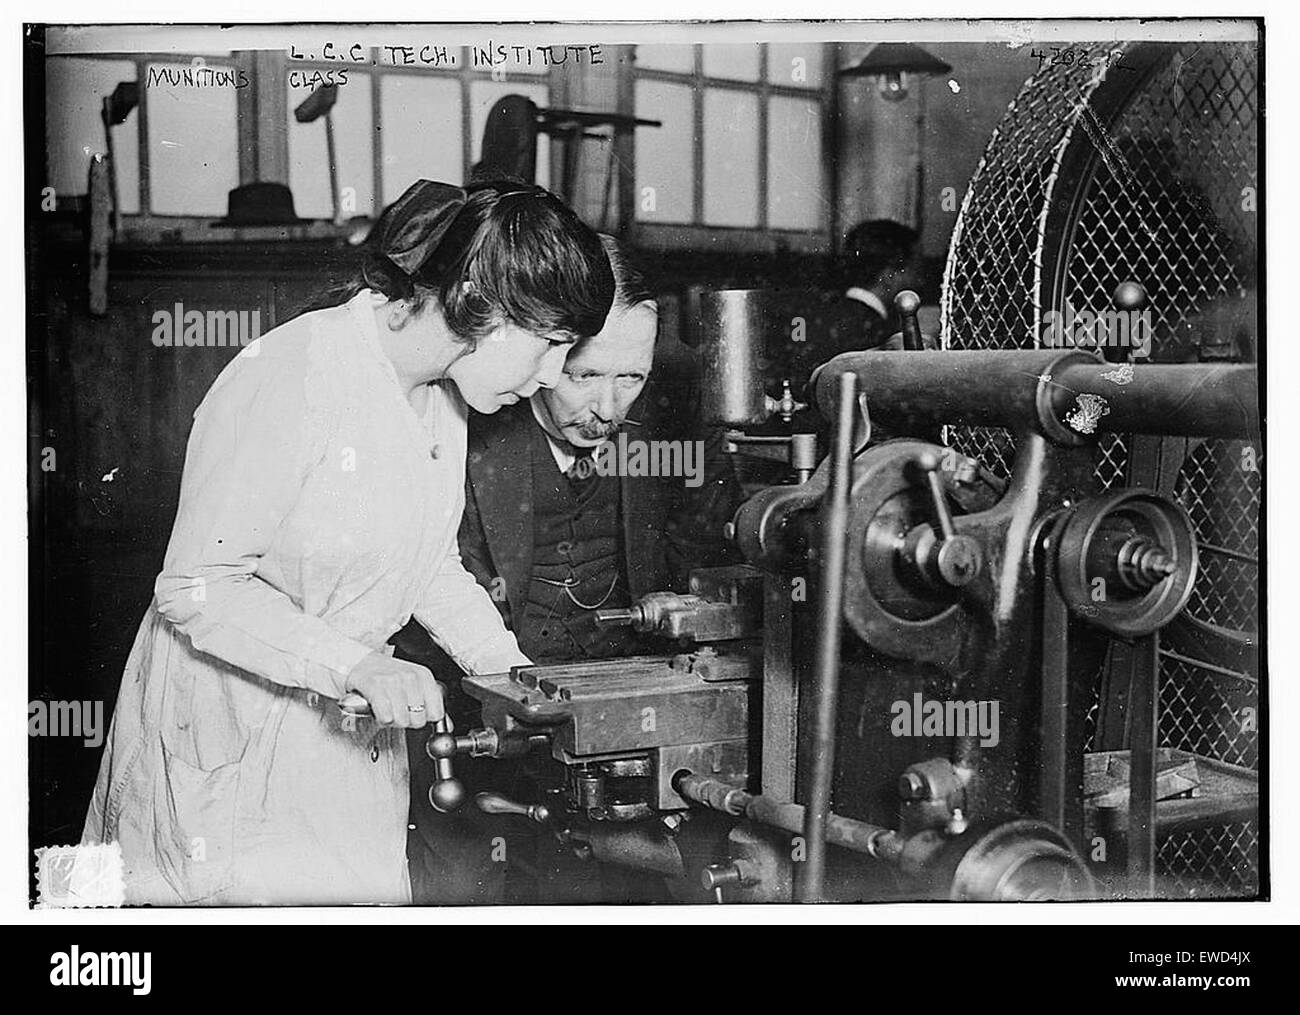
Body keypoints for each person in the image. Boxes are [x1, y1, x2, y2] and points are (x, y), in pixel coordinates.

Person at [81, 179, 615, 906]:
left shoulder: (440, 395)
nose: (552, 374)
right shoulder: (291, 375)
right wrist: (355, 663)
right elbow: (194, 587)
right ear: (478, 303)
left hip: (342, 726)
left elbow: (427, 559)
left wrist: (509, 671)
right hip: (229, 725)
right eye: (551, 343)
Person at [395, 236, 742, 903]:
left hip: (615, 758)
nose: (610, 408)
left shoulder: (675, 437)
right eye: (586, 375)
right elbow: (421, 606)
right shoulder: (460, 431)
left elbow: (706, 575)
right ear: (544, 347)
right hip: (477, 746)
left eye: (631, 378)